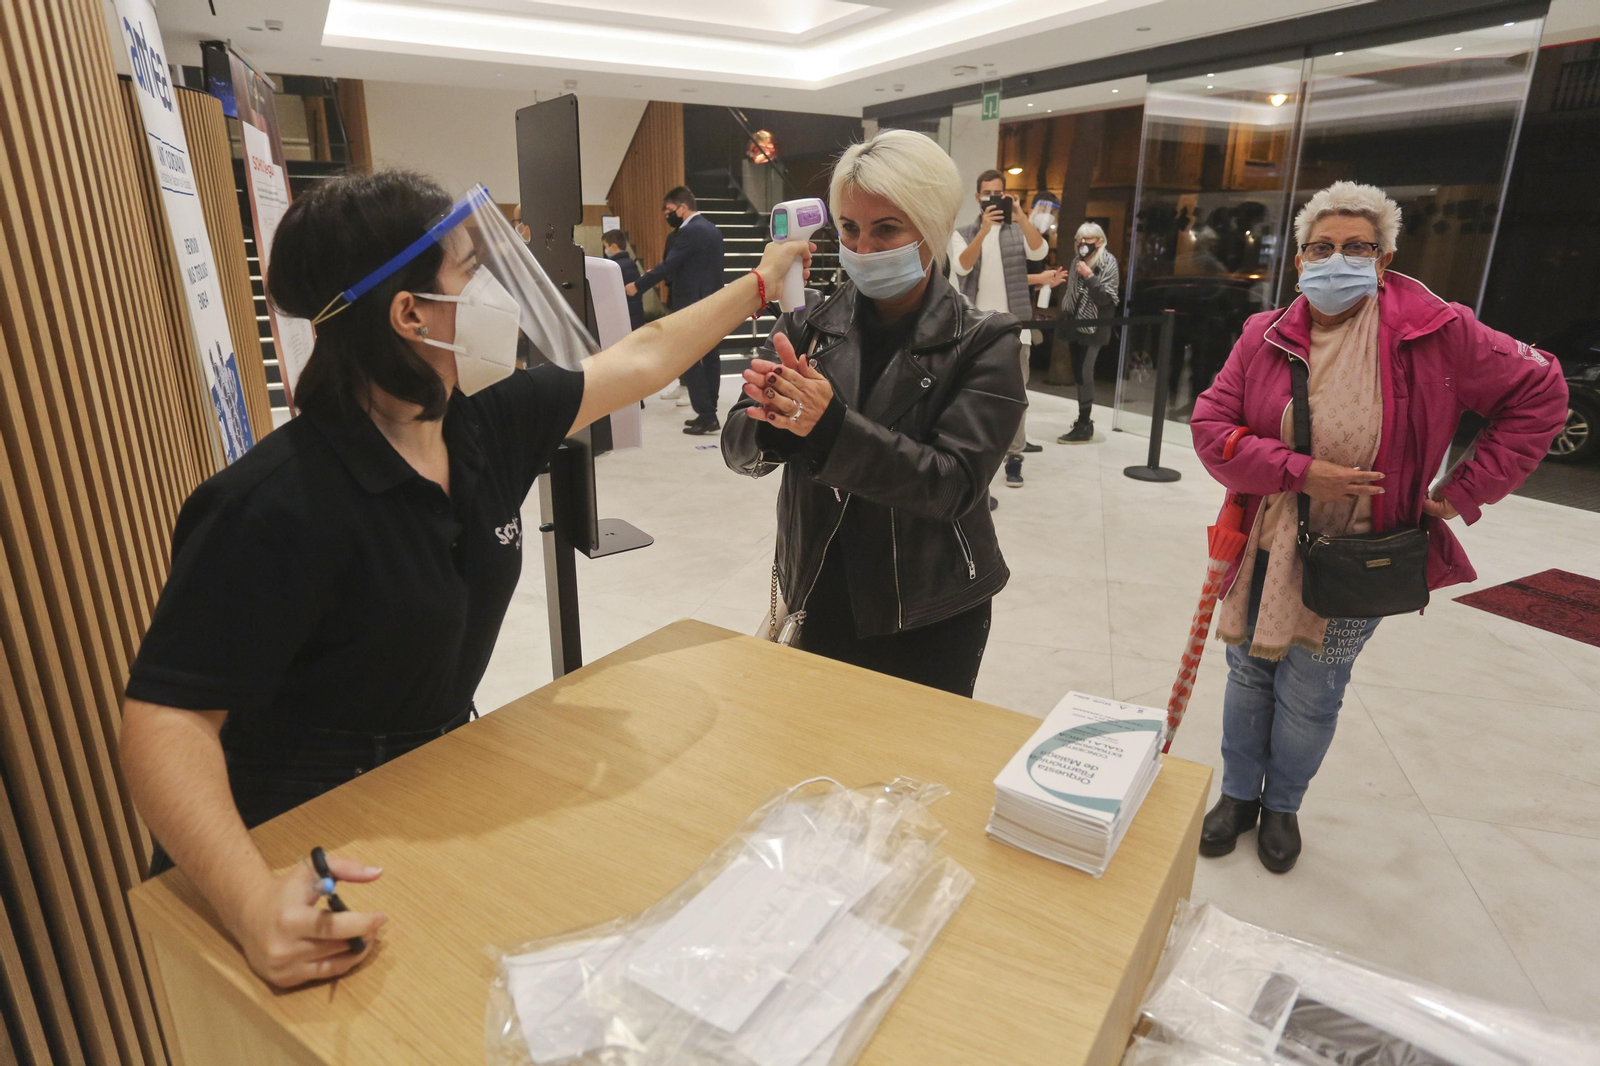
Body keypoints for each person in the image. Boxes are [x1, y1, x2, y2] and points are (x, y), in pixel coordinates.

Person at [119, 169, 810, 989]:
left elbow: (643, 357)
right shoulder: (273, 504)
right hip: (297, 836)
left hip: (428, 782)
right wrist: (248, 900)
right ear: (410, 312)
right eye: (465, 272)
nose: (489, 292)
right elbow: (165, 720)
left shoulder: (479, 425)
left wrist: (762, 278)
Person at [1190, 181, 1566, 874]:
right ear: (1299, 260)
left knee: (1311, 690)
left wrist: (1463, 491)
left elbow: (1540, 390)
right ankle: (1239, 796)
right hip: (1266, 538)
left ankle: (1283, 808)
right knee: (1247, 674)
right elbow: (1211, 428)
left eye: (1355, 247)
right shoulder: (1263, 334)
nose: (1337, 260)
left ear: (1385, 258)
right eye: (1321, 247)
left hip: (1365, 553)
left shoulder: (1437, 330)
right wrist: (1298, 470)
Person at [722, 129, 1025, 696]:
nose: (862, 249)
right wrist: (772, 420)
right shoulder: (806, 324)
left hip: (928, 606)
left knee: (910, 773)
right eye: (850, 229)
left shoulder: (986, 342)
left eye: (887, 229)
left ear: (930, 230)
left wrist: (830, 425)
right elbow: (739, 451)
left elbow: (953, 486)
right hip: (816, 588)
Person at [949, 170, 1056, 488]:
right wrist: (982, 232)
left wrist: (1022, 216)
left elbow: (1038, 252)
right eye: (987, 193)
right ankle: (975, 456)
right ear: (978, 197)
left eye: (999, 193)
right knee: (971, 393)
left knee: (1017, 396)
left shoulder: (1016, 229)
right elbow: (961, 266)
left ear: (1007, 195)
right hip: (976, 329)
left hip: (1015, 328)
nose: (992, 198)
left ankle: (1015, 457)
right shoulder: (964, 232)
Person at [627, 186, 727, 434]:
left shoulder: (689, 232)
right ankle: (710, 410)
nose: (667, 216)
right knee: (711, 357)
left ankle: (706, 415)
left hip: (691, 306)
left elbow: (668, 266)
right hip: (713, 302)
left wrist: (638, 286)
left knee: (689, 357)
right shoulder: (713, 230)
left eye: (669, 210)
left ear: (682, 208)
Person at [1056, 222, 1120, 444]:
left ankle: (1085, 423)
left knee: (1085, 371)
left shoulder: (1108, 262)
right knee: (1077, 371)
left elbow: (1106, 298)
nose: (1082, 244)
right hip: (1075, 323)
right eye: (1079, 240)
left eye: (1088, 240)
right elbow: (1072, 293)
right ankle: (1082, 421)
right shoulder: (1077, 261)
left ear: (1099, 241)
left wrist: (1090, 276)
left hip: (1096, 326)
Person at [602, 228, 645, 331]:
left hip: (625, 315)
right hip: (635, 313)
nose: (605, 250)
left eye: (605, 246)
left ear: (613, 247)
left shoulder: (616, 266)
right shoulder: (630, 263)